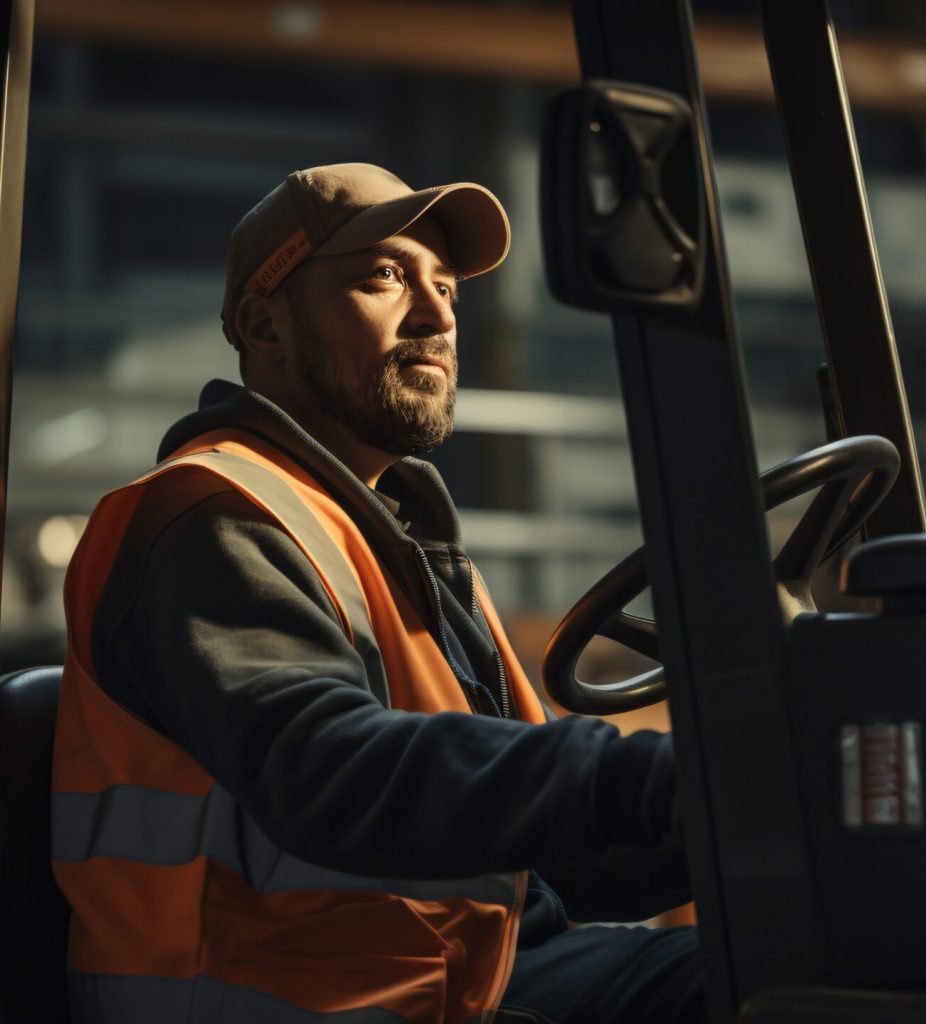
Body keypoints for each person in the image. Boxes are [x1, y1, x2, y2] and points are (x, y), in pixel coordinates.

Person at [52, 163, 704, 1023]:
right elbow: (329, 769)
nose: (436, 316)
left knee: (802, 942)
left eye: (446, 291)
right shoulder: (210, 517)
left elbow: (547, 858)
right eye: (386, 277)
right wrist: (643, 779)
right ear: (266, 325)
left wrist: (729, 815)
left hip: (463, 970)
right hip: (309, 997)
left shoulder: (396, 542)